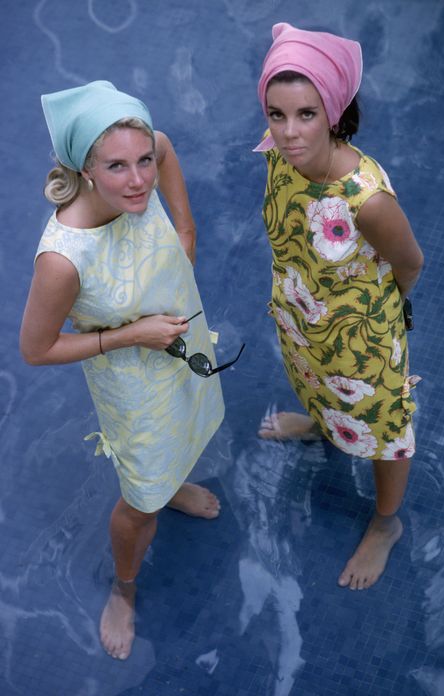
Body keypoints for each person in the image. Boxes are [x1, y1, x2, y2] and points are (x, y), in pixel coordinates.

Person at [20, 81, 234, 659]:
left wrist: (186, 232)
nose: (139, 180)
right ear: (85, 168)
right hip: (134, 386)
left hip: (183, 345)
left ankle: (172, 485)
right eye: (117, 167)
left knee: (186, 438)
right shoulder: (64, 259)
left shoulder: (149, 161)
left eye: (141, 162)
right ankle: (125, 586)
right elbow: (35, 350)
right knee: (138, 502)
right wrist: (129, 336)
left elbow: (162, 146)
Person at [254, 24, 424, 590]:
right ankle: (324, 426)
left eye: (306, 114)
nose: (288, 132)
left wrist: (378, 319)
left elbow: (411, 263)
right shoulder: (280, 156)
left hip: (362, 338)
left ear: (333, 109)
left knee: (384, 429)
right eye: (277, 114)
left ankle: (385, 523)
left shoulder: (365, 201)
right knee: (318, 388)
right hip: (304, 322)